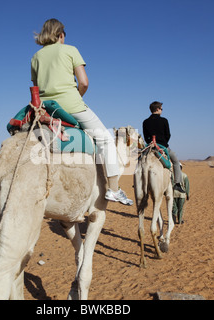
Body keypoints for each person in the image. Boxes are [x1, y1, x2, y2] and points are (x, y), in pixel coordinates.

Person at [31, 18, 133, 206]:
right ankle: (113, 189)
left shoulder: (36, 57)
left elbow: (36, 87)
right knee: (106, 140)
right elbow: (84, 82)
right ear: (60, 34)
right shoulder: (70, 50)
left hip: (44, 108)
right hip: (71, 105)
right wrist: (77, 97)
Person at [142, 101, 185, 193]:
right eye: (161, 109)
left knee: (139, 161)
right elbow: (168, 135)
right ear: (157, 109)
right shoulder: (164, 120)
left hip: (150, 146)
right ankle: (177, 184)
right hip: (162, 146)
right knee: (176, 162)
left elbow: (146, 137)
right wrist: (163, 144)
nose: (162, 110)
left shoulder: (145, 122)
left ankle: (138, 181)